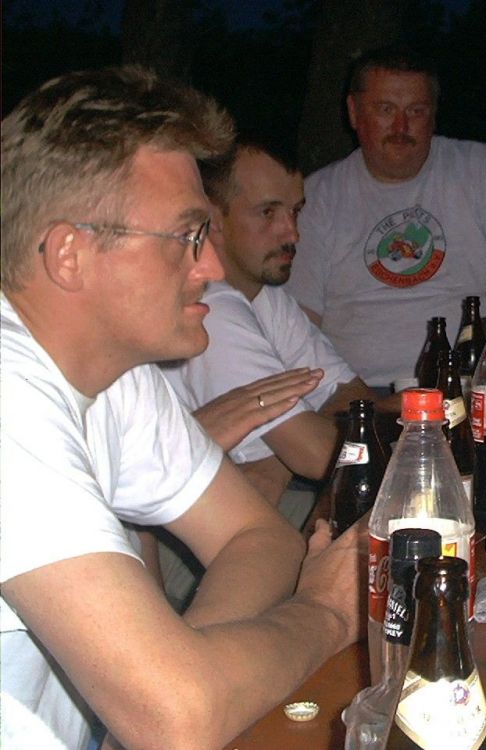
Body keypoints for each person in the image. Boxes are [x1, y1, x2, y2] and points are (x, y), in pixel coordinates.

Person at [0, 66, 365, 750]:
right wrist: (327, 613)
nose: (213, 268)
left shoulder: (113, 371)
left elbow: (260, 538)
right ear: (71, 254)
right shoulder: (8, 398)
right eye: (187, 236)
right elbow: (177, 717)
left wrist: (182, 677)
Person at [286, 44, 486, 388]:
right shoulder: (316, 197)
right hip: (357, 394)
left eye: (416, 110)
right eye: (385, 109)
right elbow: (297, 321)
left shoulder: (478, 170)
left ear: (434, 115)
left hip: (470, 390)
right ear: (353, 111)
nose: (401, 126)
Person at [162, 139, 380, 508]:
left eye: (295, 211)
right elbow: (320, 455)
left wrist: (281, 460)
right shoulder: (209, 306)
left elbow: (355, 398)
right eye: (267, 213)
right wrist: (297, 449)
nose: (292, 233)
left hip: (253, 501)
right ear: (213, 219)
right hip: (186, 525)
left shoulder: (265, 297)